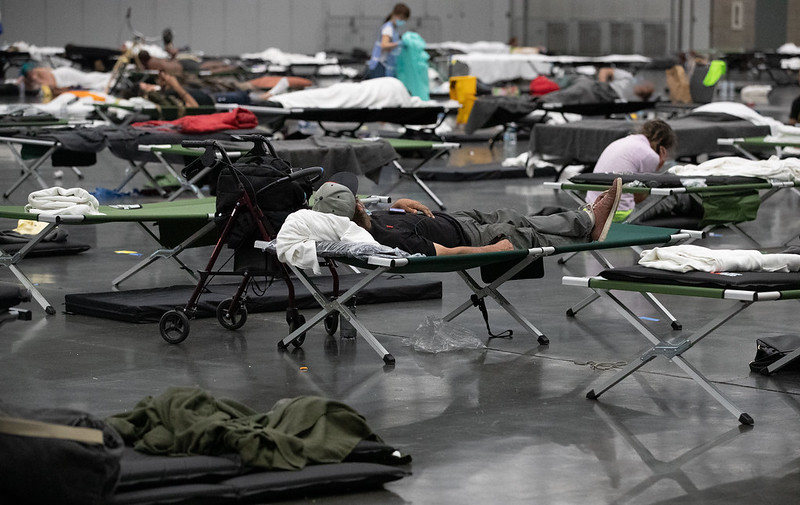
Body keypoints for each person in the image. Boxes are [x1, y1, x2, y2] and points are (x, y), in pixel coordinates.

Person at [308, 172, 622, 256]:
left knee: (513, 216)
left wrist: (396, 205)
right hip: (469, 237)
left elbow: (371, 216)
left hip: (455, 218)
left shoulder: (358, 224)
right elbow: (445, 253)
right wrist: (490, 250)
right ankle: (586, 223)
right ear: (357, 207)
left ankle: (586, 220)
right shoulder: (390, 238)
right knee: (525, 234)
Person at [584, 119, 699, 223]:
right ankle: (697, 221)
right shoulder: (650, 155)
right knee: (675, 194)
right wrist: (659, 164)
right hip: (619, 215)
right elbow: (639, 197)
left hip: (592, 208)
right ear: (661, 144)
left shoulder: (622, 142)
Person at [366, 3, 410, 79]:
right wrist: (398, 44)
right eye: (401, 18)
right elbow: (384, 45)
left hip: (384, 65)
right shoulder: (388, 28)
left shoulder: (394, 29)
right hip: (379, 65)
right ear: (394, 15)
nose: (402, 21)